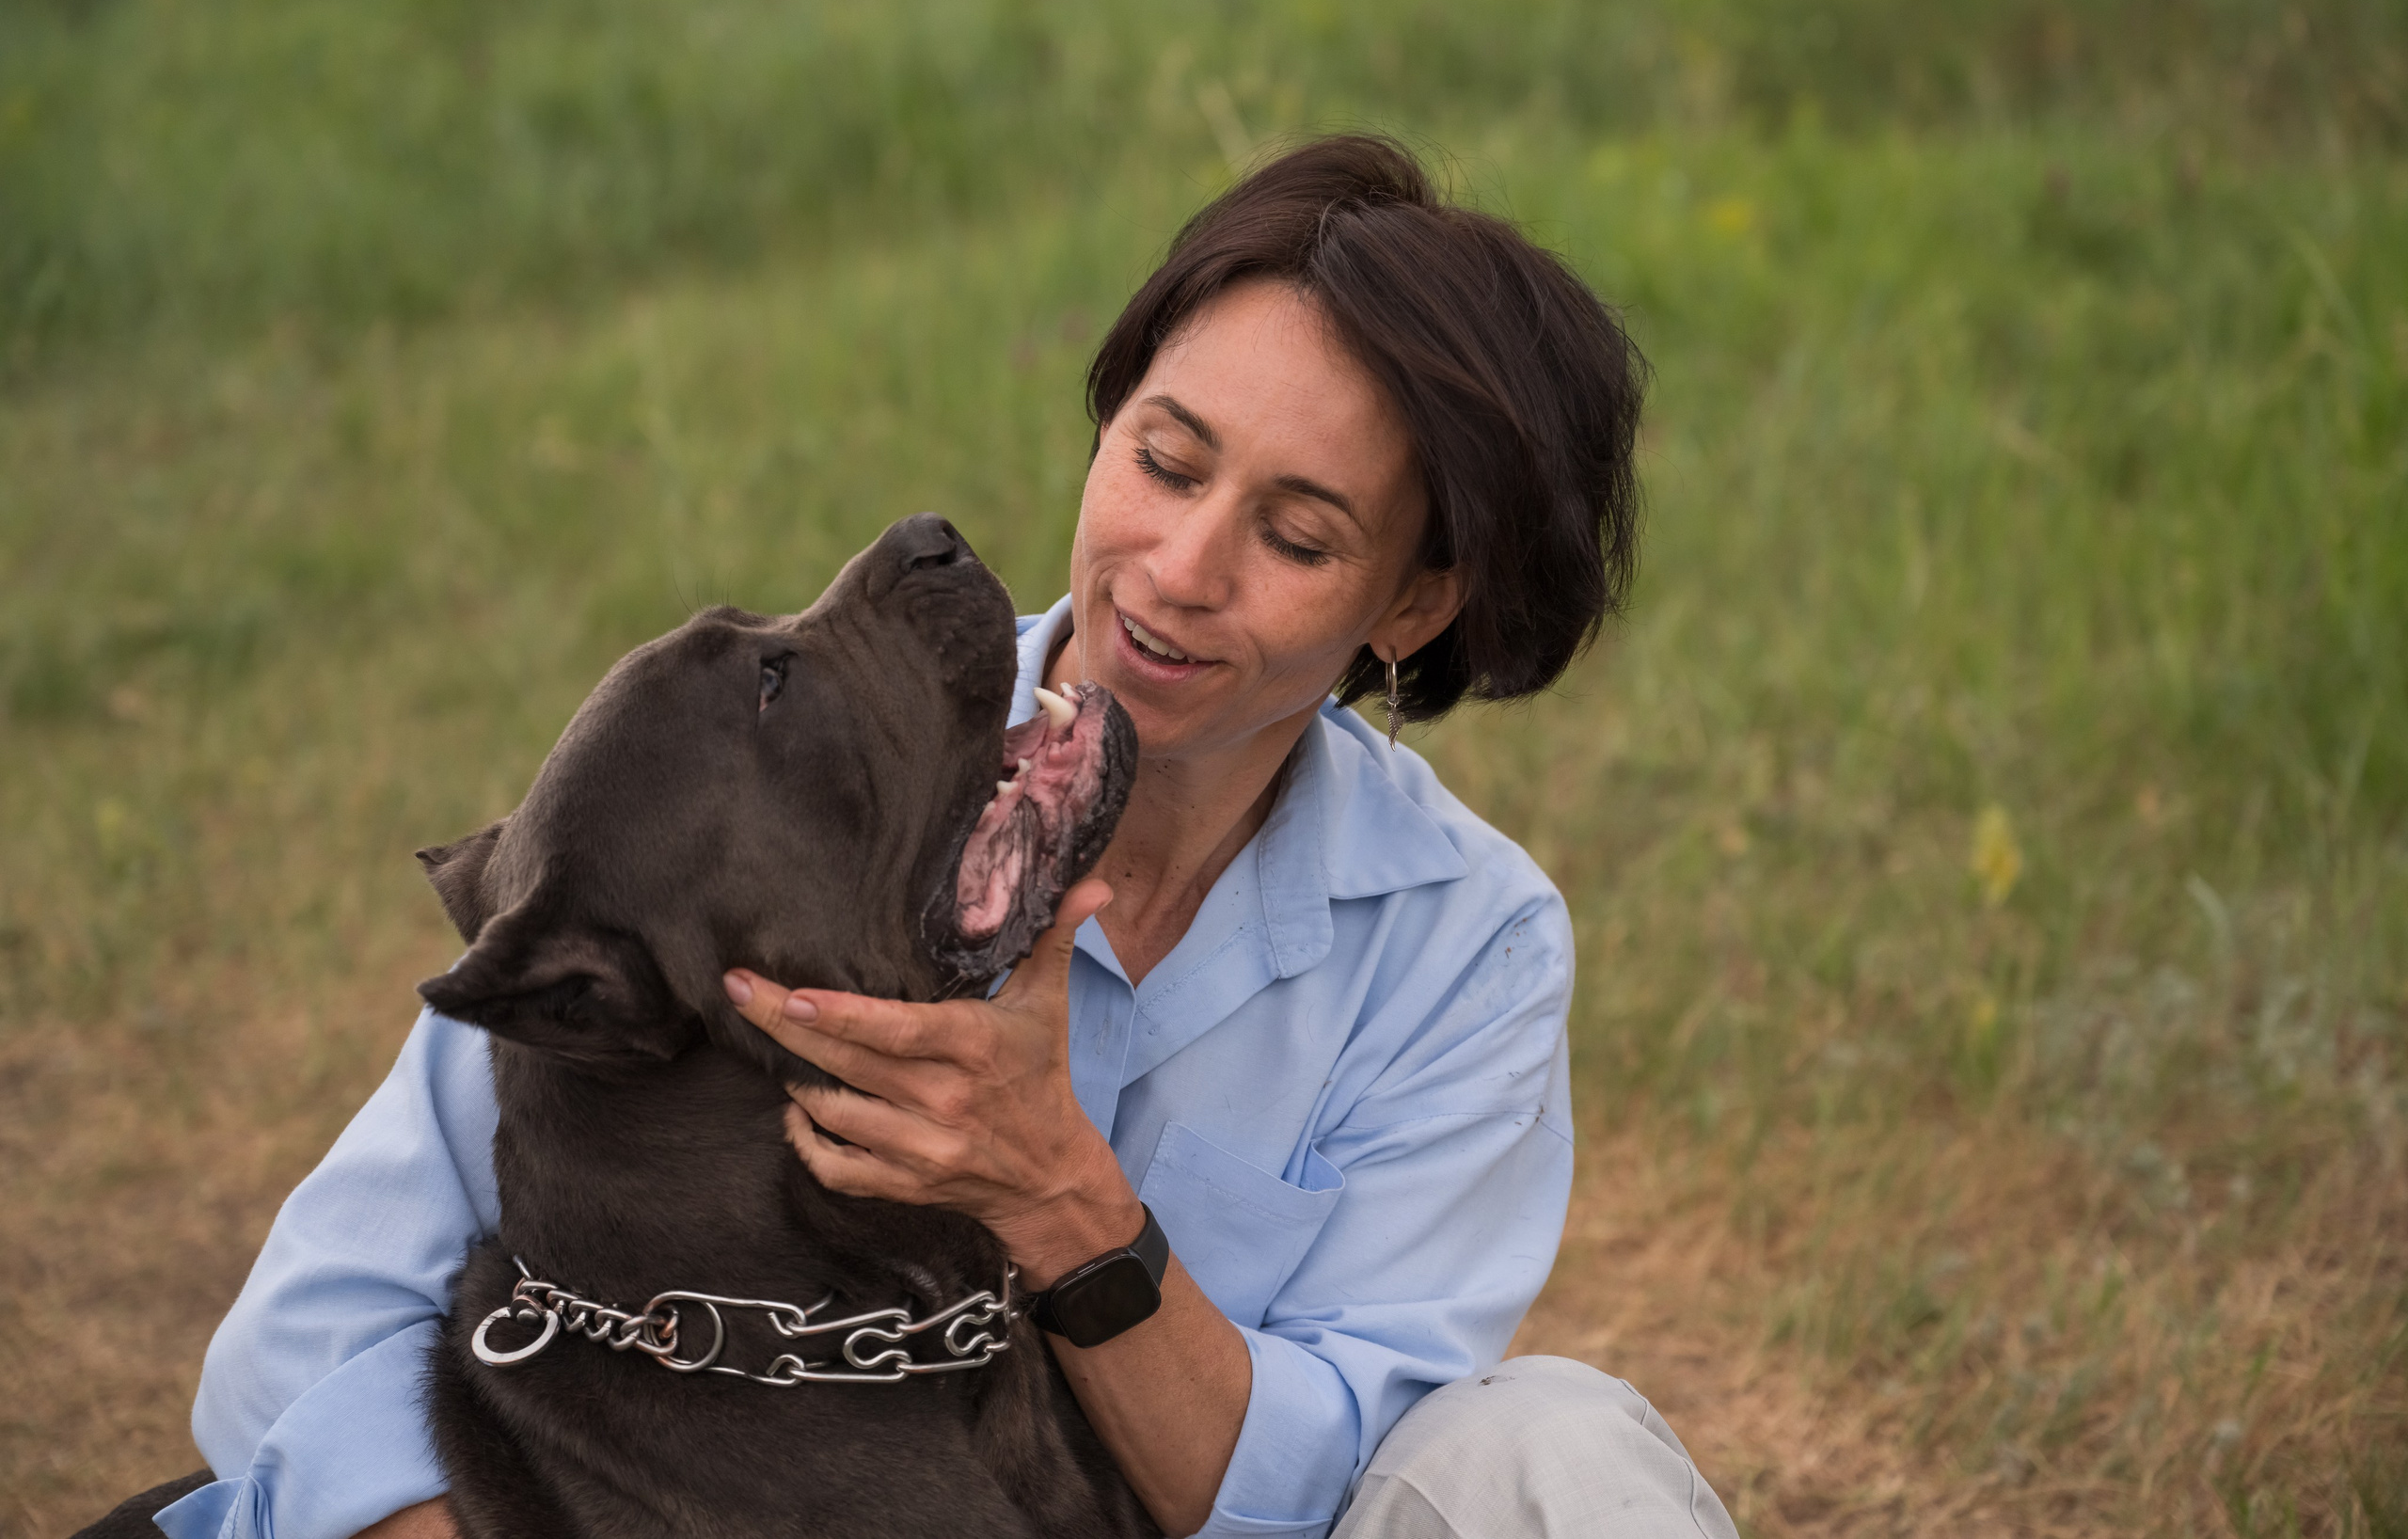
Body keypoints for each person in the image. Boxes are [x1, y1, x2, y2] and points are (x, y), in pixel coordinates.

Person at [158, 135, 1738, 1539]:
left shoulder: (1467, 945)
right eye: (1164, 461)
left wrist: (1060, 1198)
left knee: (1557, 1448)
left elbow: (1356, 1486)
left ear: (1413, 603)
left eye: (1297, 535)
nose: (1179, 569)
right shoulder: (750, 823)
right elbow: (289, 1355)